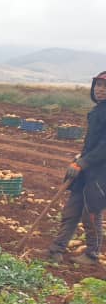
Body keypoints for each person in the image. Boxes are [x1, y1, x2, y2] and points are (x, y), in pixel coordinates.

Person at [47, 71, 106, 266]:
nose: (100, 90)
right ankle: (57, 248)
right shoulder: (98, 110)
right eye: (98, 85)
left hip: (100, 174)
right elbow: (93, 143)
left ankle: (92, 254)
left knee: (91, 212)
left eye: (104, 87)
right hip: (87, 170)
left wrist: (84, 162)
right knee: (71, 210)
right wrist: (80, 157)